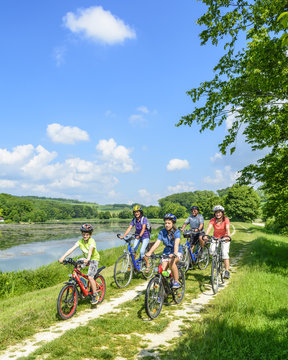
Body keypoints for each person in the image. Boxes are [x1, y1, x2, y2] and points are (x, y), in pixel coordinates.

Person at [59, 224, 100, 305]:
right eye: (83, 234)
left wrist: (88, 259)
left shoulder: (92, 241)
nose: (85, 236)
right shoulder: (80, 241)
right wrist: (63, 257)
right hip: (86, 259)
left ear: (90, 234)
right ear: (82, 234)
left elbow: (90, 250)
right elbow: (71, 249)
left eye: (87, 234)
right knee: (76, 266)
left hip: (94, 259)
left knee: (90, 276)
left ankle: (95, 295)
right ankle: (83, 284)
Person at [146, 213, 183, 288]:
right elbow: (157, 243)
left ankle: (176, 281)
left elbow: (176, 244)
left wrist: (174, 253)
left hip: (177, 252)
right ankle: (164, 288)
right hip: (166, 252)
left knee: (171, 262)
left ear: (173, 223)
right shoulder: (162, 232)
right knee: (162, 270)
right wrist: (150, 252)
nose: (167, 225)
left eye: (169, 223)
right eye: (165, 223)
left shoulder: (177, 232)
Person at [202, 205, 231, 279]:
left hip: (225, 238)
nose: (218, 214)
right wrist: (206, 235)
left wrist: (228, 236)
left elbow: (227, 228)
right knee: (211, 251)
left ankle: (227, 271)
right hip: (215, 238)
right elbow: (209, 228)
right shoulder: (213, 220)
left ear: (222, 213)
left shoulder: (226, 219)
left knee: (225, 253)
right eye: (216, 213)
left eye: (219, 212)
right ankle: (217, 262)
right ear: (214, 213)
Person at [120, 205, 150, 269]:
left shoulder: (143, 219)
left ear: (140, 212)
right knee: (133, 250)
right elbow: (130, 228)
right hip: (137, 236)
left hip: (145, 236)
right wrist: (124, 235)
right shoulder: (134, 220)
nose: (136, 213)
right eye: (135, 212)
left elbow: (143, 228)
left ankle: (147, 264)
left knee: (142, 252)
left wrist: (140, 235)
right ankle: (133, 264)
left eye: (137, 212)